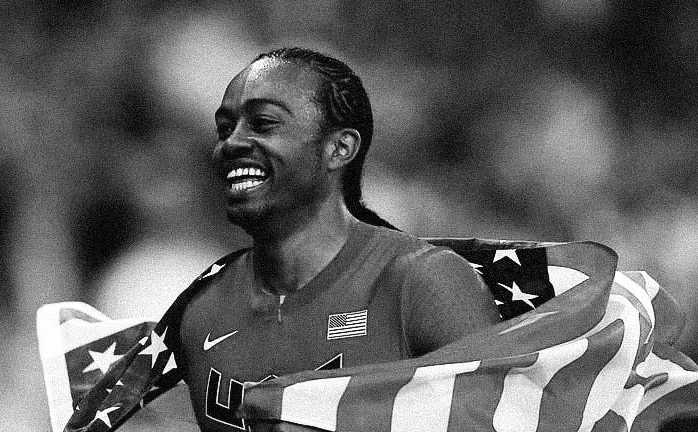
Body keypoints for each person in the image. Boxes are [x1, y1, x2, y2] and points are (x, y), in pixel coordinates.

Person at [173, 47, 501, 432]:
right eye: (224, 128)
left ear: (339, 148)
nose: (231, 143)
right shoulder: (200, 313)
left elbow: (503, 419)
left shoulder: (425, 283)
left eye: (262, 123)